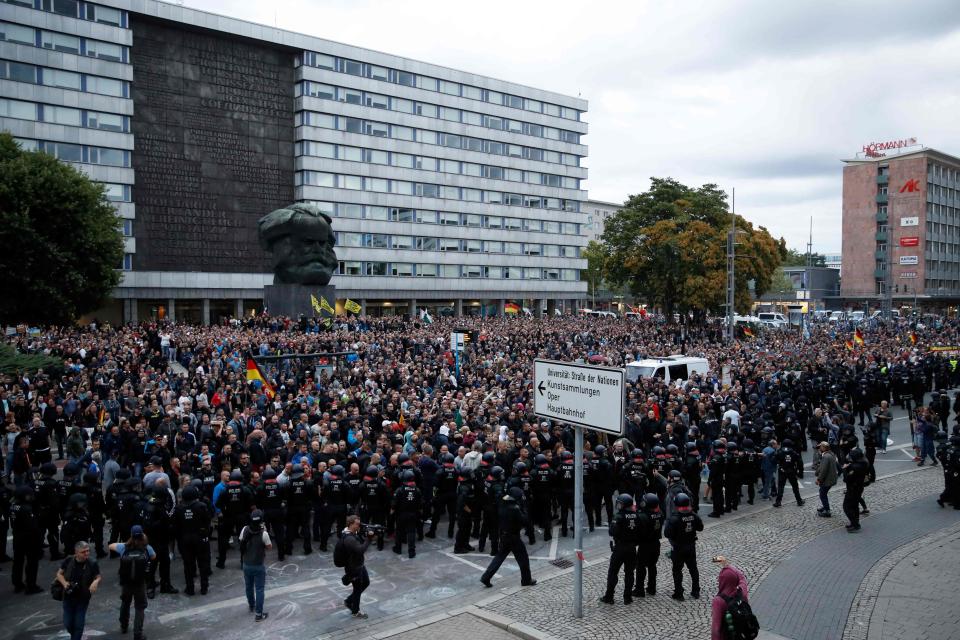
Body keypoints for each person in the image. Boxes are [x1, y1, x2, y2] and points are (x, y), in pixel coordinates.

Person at [480, 486, 536, 588]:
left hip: (504, 535)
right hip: (514, 537)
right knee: (523, 558)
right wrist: (524, 508)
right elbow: (525, 521)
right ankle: (526, 580)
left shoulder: (502, 504)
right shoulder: (515, 509)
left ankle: (486, 577)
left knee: (499, 557)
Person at [109, 525, 155, 640]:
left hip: (126, 582)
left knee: (125, 603)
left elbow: (111, 546)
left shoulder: (124, 547)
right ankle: (137, 634)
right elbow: (154, 557)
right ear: (142, 535)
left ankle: (124, 625)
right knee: (140, 607)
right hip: (140, 582)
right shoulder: (146, 548)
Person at [55, 541, 102, 640]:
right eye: (83, 552)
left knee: (79, 624)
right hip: (68, 597)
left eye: (88, 551)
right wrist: (65, 583)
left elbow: (98, 576)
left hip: (82, 598)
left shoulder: (92, 563)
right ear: (76, 553)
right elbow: (59, 574)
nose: (86, 554)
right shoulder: (68, 560)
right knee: (68, 623)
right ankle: (75, 636)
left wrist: (95, 582)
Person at [600, 494, 639, 605]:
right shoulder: (636, 516)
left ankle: (609, 596)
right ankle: (627, 597)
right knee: (629, 573)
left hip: (620, 548)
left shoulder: (618, 516)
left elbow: (612, 532)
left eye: (620, 503)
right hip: (632, 548)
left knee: (613, 572)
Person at [663, 492, 703, 601]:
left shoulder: (674, 518)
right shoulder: (693, 515)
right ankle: (696, 591)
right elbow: (700, 527)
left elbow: (667, 534)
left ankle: (679, 593)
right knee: (693, 569)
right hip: (691, 546)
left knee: (677, 570)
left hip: (678, 548)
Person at [239, 510, 272, 621]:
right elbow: (269, 547)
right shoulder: (264, 533)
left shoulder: (245, 529)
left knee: (248, 587)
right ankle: (258, 614)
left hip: (246, 564)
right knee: (259, 589)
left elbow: (241, 542)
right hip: (258, 565)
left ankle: (251, 605)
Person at [341, 514, 375, 619]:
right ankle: (355, 611)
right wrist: (369, 539)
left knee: (366, 582)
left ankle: (349, 600)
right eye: (357, 524)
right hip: (353, 567)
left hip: (359, 564)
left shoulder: (353, 533)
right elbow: (360, 550)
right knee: (357, 588)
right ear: (350, 524)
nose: (359, 526)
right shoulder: (348, 538)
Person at [710, 556, 749, 640]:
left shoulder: (718, 601)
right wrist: (728, 566)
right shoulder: (741, 593)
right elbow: (742, 578)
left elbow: (715, 629)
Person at [842, 448, 869, 532]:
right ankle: (854, 522)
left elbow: (846, 479)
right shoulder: (864, 463)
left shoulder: (854, 467)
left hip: (853, 489)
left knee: (846, 507)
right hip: (859, 487)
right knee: (855, 506)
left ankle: (856, 525)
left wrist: (845, 469)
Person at [773, 439, 804, 508]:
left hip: (782, 470)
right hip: (791, 471)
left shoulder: (780, 451)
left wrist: (779, 463)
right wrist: (800, 472)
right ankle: (799, 501)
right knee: (795, 487)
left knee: (781, 486)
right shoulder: (793, 452)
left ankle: (778, 502)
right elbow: (800, 462)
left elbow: (774, 459)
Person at [813, 442, 839, 517]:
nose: (819, 449)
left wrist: (819, 479)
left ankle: (827, 510)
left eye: (820, 447)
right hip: (831, 478)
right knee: (823, 493)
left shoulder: (826, 457)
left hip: (827, 480)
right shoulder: (830, 454)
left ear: (824, 448)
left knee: (822, 494)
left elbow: (823, 470)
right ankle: (825, 507)